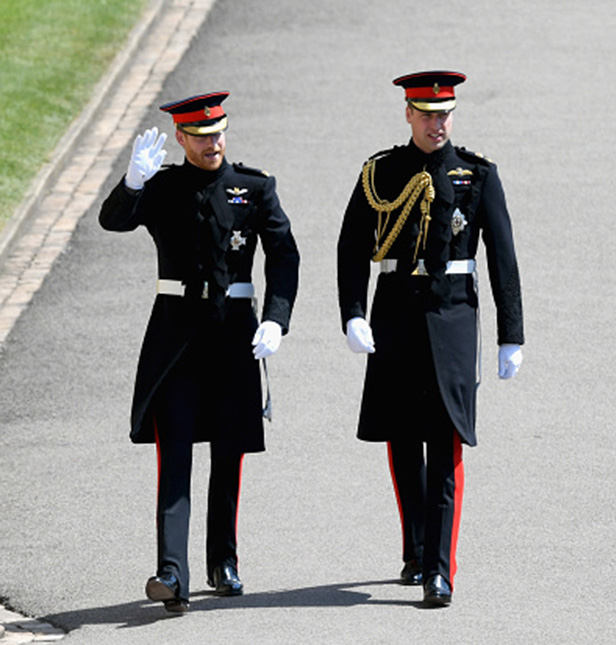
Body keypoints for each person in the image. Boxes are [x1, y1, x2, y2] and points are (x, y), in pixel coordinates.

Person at [99, 91, 300, 613]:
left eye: (218, 133)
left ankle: (223, 560)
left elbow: (284, 255)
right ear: (182, 139)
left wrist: (277, 319)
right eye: (201, 136)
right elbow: (113, 221)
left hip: (233, 334)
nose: (212, 143)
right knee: (176, 456)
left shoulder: (253, 188)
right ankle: (172, 571)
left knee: (228, 454)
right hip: (176, 338)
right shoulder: (163, 186)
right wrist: (133, 183)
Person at [337, 71, 524, 607]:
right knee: (401, 437)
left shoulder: (476, 174)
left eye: (444, 114)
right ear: (408, 114)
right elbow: (352, 245)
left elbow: (502, 259)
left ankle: (439, 569)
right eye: (426, 114)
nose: (436, 124)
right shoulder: (382, 172)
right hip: (395, 311)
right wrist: (352, 313)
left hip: (452, 317)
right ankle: (416, 547)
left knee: (444, 440)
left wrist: (511, 334)